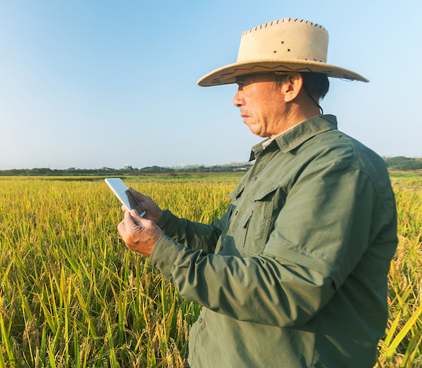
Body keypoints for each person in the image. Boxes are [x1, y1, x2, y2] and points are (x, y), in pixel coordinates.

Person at [116, 18, 398, 367]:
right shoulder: (275, 158)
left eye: (244, 84)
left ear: (290, 86)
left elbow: (288, 290)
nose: (236, 100)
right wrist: (166, 224)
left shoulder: (339, 166)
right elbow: (226, 242)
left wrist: (160, 250)